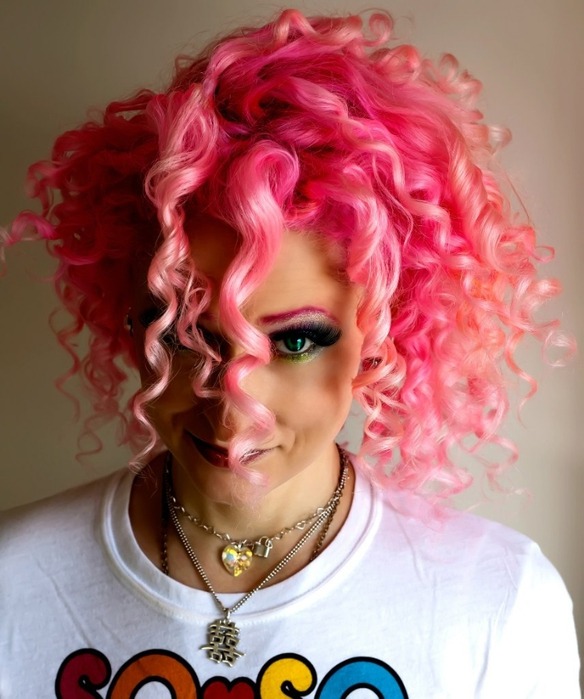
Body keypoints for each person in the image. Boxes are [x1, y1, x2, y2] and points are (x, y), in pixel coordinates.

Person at [0, 9, 580, 698]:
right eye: (186, 335)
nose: (233, 409)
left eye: (295, 341)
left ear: (382, 334)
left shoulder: (497, 602)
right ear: (133, 322)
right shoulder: (13, 580)